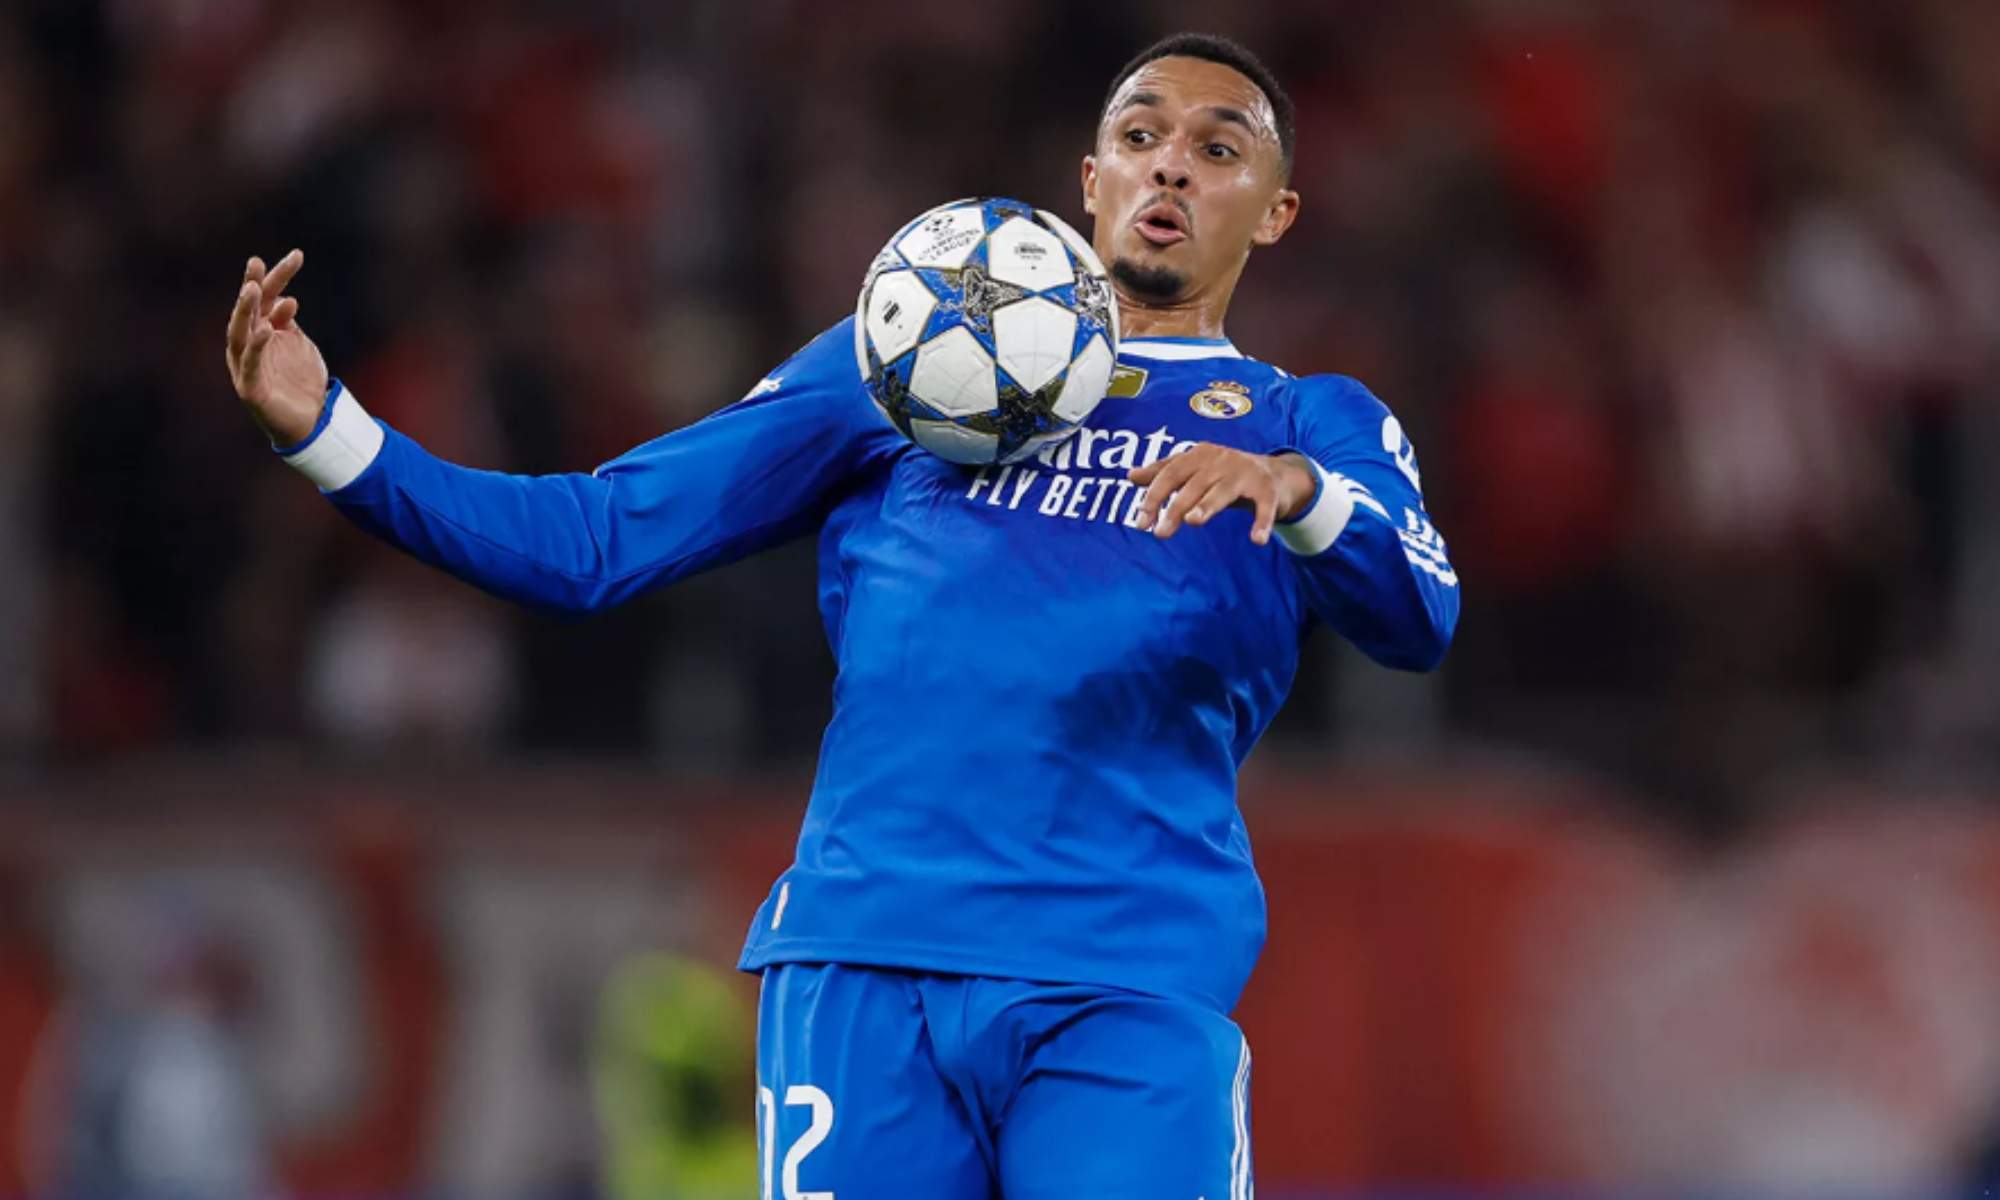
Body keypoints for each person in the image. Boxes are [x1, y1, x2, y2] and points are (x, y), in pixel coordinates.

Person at [224, 32, 1458, 1200]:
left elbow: (1418, 611)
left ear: (1275, 211)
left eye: (1220, 146)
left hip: (1122, 984)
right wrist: (335, 435)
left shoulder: (1305, 424)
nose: (1173, 161)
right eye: (1141, 134)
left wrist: (1300, 499)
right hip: (867, 969)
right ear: (1090, 180)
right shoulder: (903, 360)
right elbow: (596, 541)